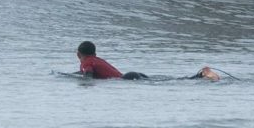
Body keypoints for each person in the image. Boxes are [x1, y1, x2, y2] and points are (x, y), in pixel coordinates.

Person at [75, 41, 220, 81]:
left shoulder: (86, 62)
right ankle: (200, 75)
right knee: (166, 80)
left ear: (78, 54)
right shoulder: (95, 59)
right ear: (95, 52)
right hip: (130, 75)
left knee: (165, 82)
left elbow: (88, 76)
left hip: (127, 78)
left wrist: (81, 80)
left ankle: (200, 75)